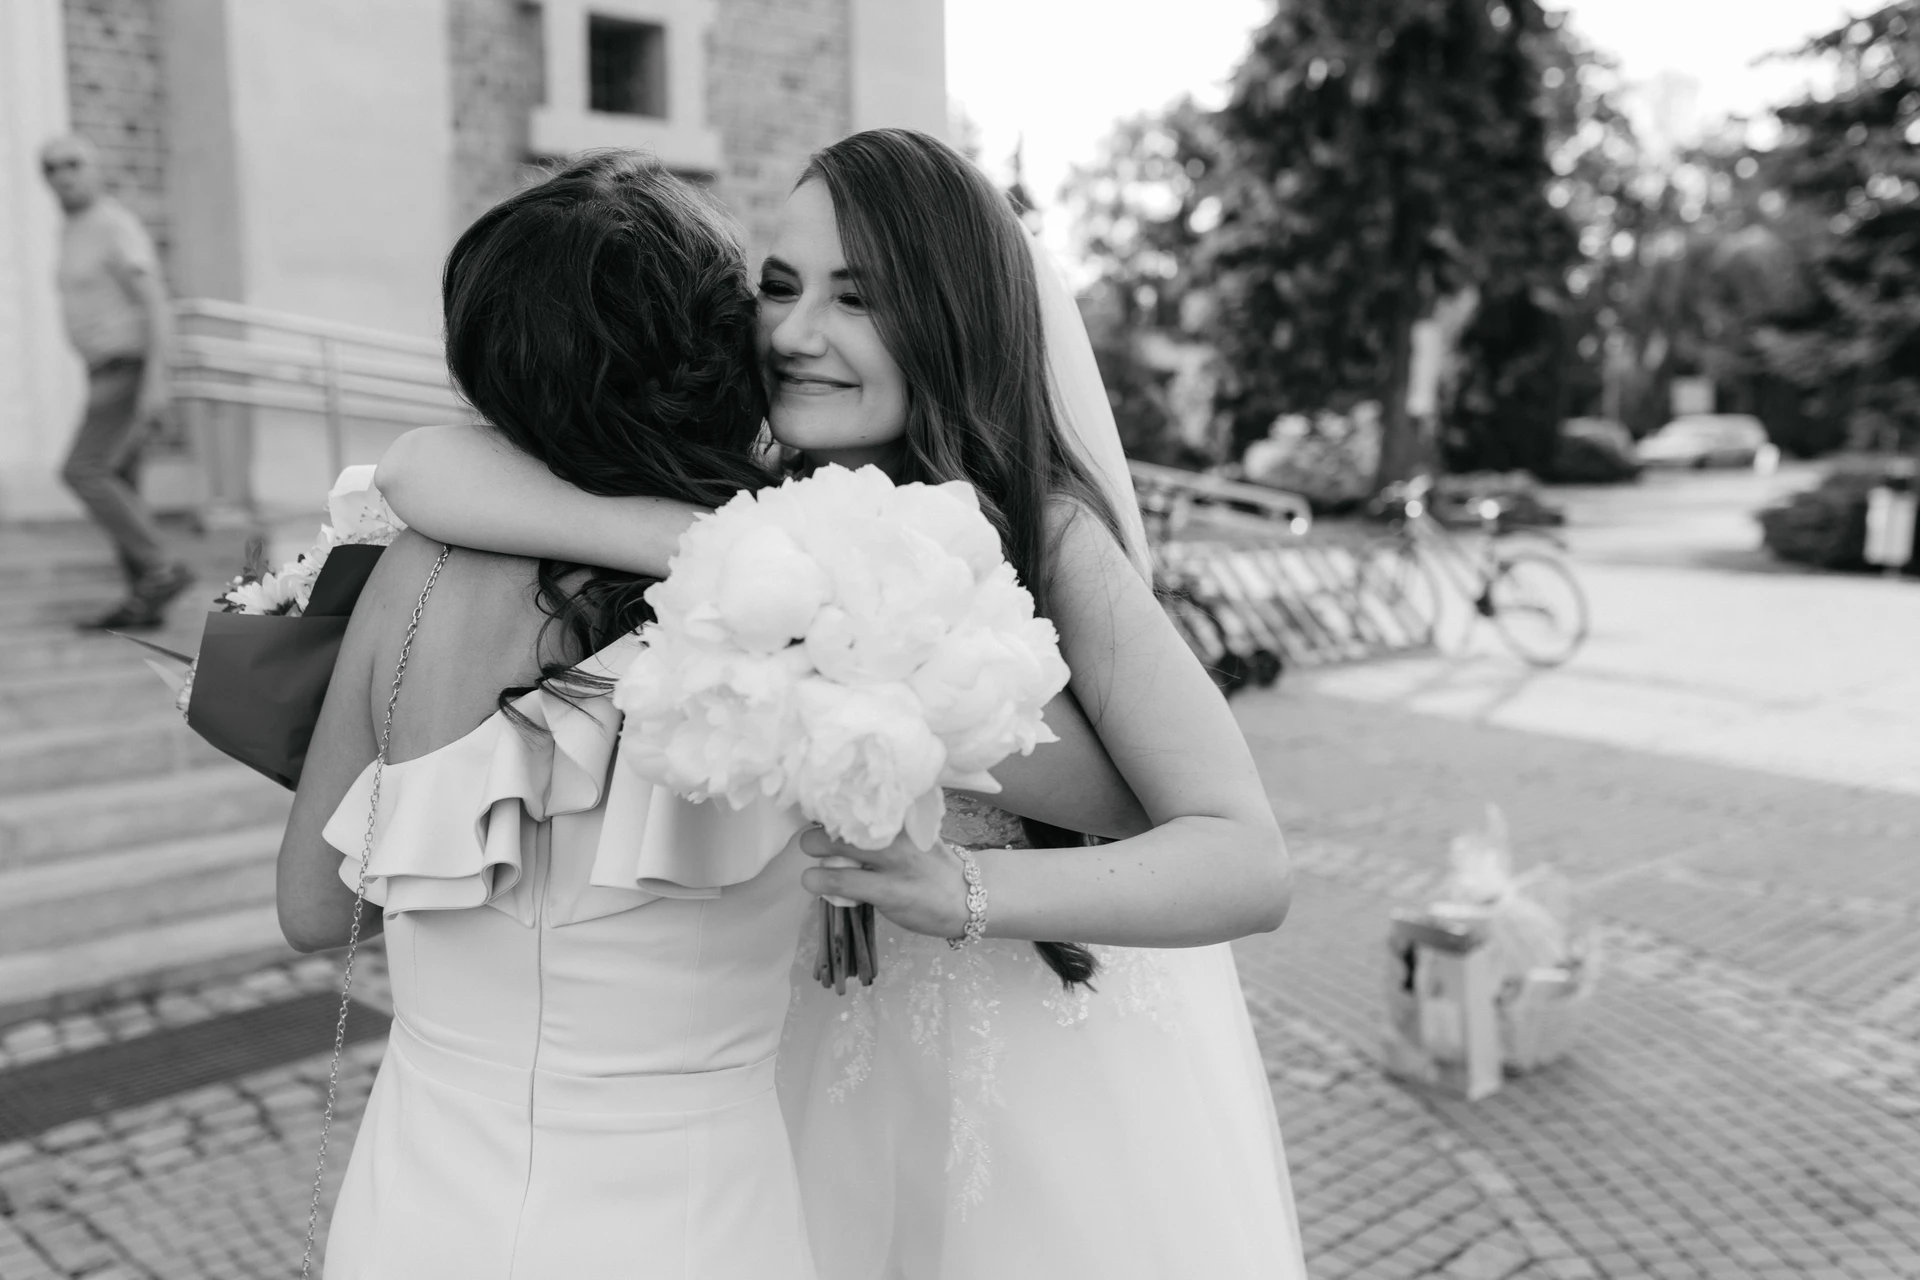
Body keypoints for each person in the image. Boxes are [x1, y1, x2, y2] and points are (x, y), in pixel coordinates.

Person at [377, 129, 1307, 1280]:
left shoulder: (1050, 532)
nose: (794, 331)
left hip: (1018, 1065)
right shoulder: (763, 505)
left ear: (948, 319)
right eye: (780, 286)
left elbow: (1247, 857)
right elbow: (418, 467)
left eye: (856, 298)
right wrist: (723, 544)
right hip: (808, 1047)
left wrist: (962, 889)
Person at [41, 135, 192, 629]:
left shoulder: (113, 224)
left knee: (83, 470)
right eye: (51, 168)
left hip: (127, 368)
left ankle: (162, 567)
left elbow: (154, 301)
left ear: (95, 168)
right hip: (101, 371)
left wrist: (157, 379)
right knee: (120, 481)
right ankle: (143, 599)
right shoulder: (73, 229)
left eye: (72, 163)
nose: (62, 174)